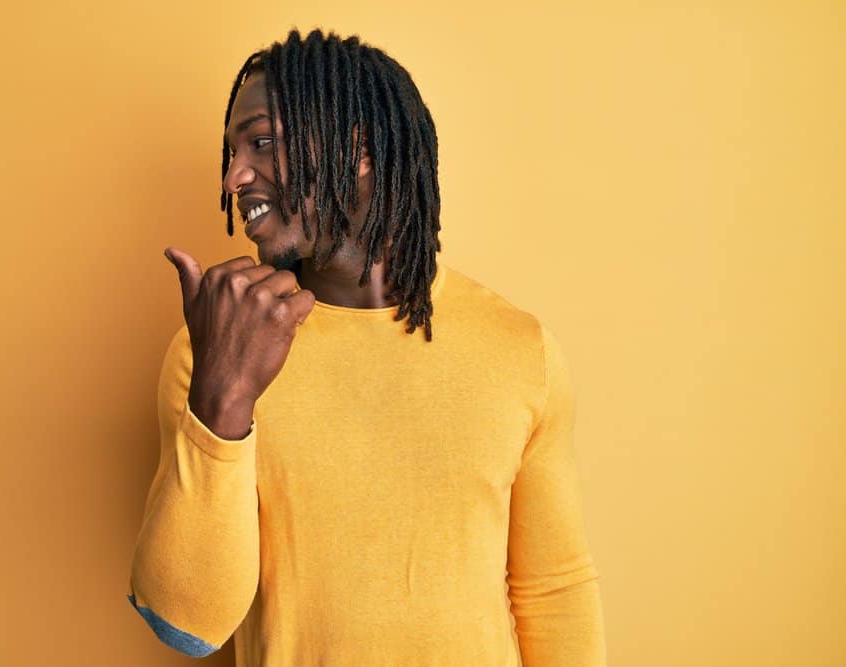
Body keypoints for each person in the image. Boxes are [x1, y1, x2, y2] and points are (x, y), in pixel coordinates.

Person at [127, 27, 606, 666]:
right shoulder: (218, 347)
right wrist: (225, 394)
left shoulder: (520, 350)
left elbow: (554, 591)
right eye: (233, 151)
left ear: (358, 148)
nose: (233, 176)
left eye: (262, 142)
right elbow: (187, 623)